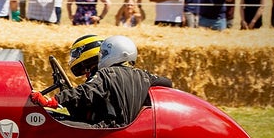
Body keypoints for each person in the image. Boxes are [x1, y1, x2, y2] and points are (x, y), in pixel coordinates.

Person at [30, 35, 173, 128]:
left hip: (106, 128)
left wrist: (52, 101)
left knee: (54, 124)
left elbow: (87, 92)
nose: (101, 57)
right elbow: (167, 82)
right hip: (124, 128)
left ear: (118, 54)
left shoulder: (107, 74)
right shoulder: (144, 75)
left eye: (104, 54)